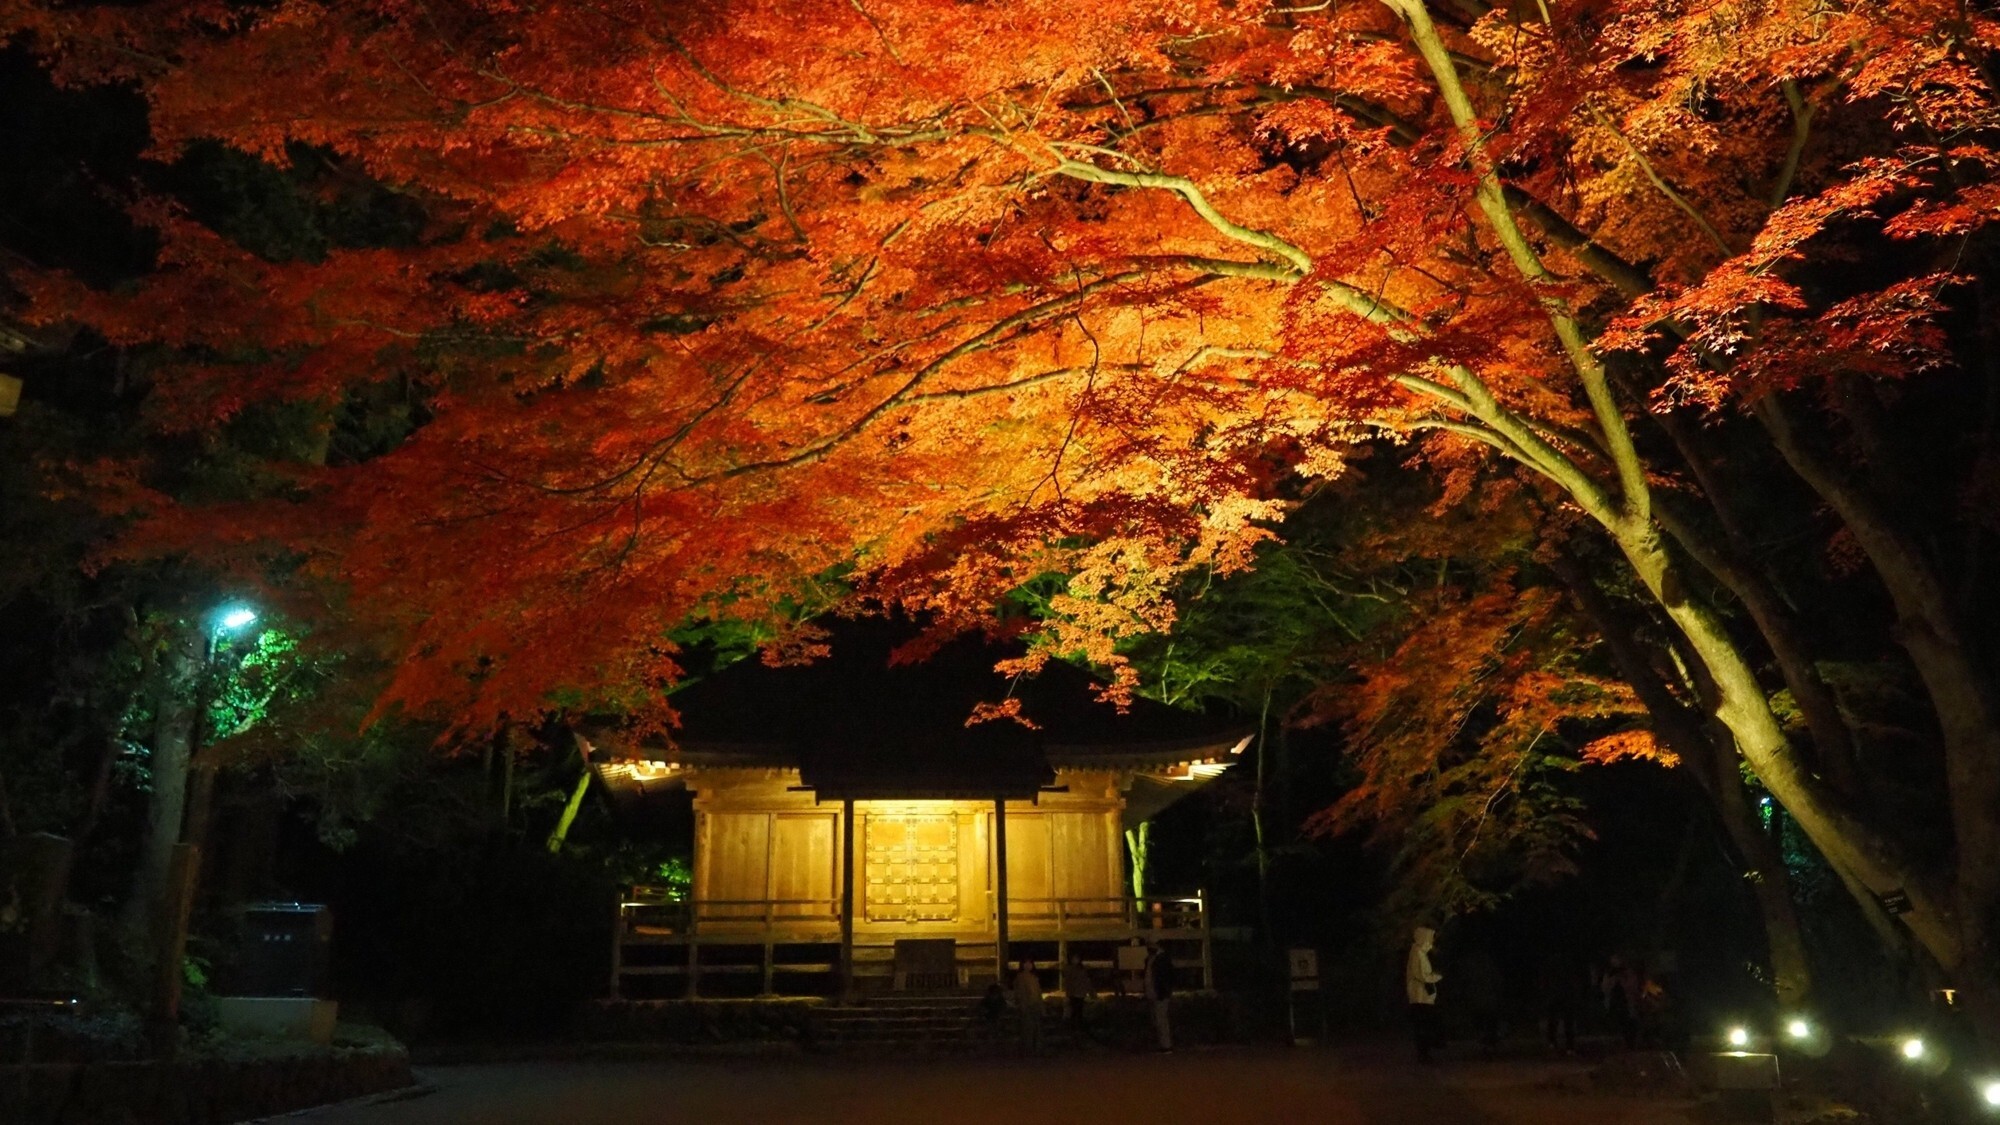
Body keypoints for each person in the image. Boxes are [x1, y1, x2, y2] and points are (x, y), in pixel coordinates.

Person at [1405, 926, 1444, 1064]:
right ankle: (1424, 1054)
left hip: (1424, 997)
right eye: (1429, 939)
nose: (1431, 943)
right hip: (1420, 998)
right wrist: (1438, 977)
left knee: (1425, 1026)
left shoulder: (1420, 953)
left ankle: (1425, 1053)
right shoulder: (1417, 953)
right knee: (1423, 1026)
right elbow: (1422, 975)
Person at [1143, 940, 1175, 1052]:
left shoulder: (1162, 959)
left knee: (1161, 1019)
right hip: (1153, 992)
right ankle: (1162, 1044)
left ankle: (1166, 1045)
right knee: (1156, 1020)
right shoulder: (1151, 959)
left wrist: (1164, 991)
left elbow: (1166, 977)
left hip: (1160, 993)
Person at [1013, 958, 1044, 1052]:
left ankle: (1036, 1048)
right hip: (1027, 1006)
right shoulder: (1020, 977)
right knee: (1027, 1028)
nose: (1028, 965)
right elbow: (1020, 993)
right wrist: (1023, 1005)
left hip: (1035, 1005)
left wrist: (1042, 1007)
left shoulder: (1034, 977)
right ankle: (1028, 1049)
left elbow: (1039, 993)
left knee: (1037, 1028)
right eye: (1025, 963)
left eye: (1030, 963)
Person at [1061, 950, 1092, 1032]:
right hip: (1073, 993)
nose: (1075, 960)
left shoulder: (1082, 969)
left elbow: (1086, 980)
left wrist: (1089, 991)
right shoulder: (1069, 969)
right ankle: (1074, 1028)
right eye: (1074, 958)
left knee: (1079, 1011)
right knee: (1074, 1011)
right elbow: (1068, 982)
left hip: (1080, 993)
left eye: (1076, 958)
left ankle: (1078, 1027)